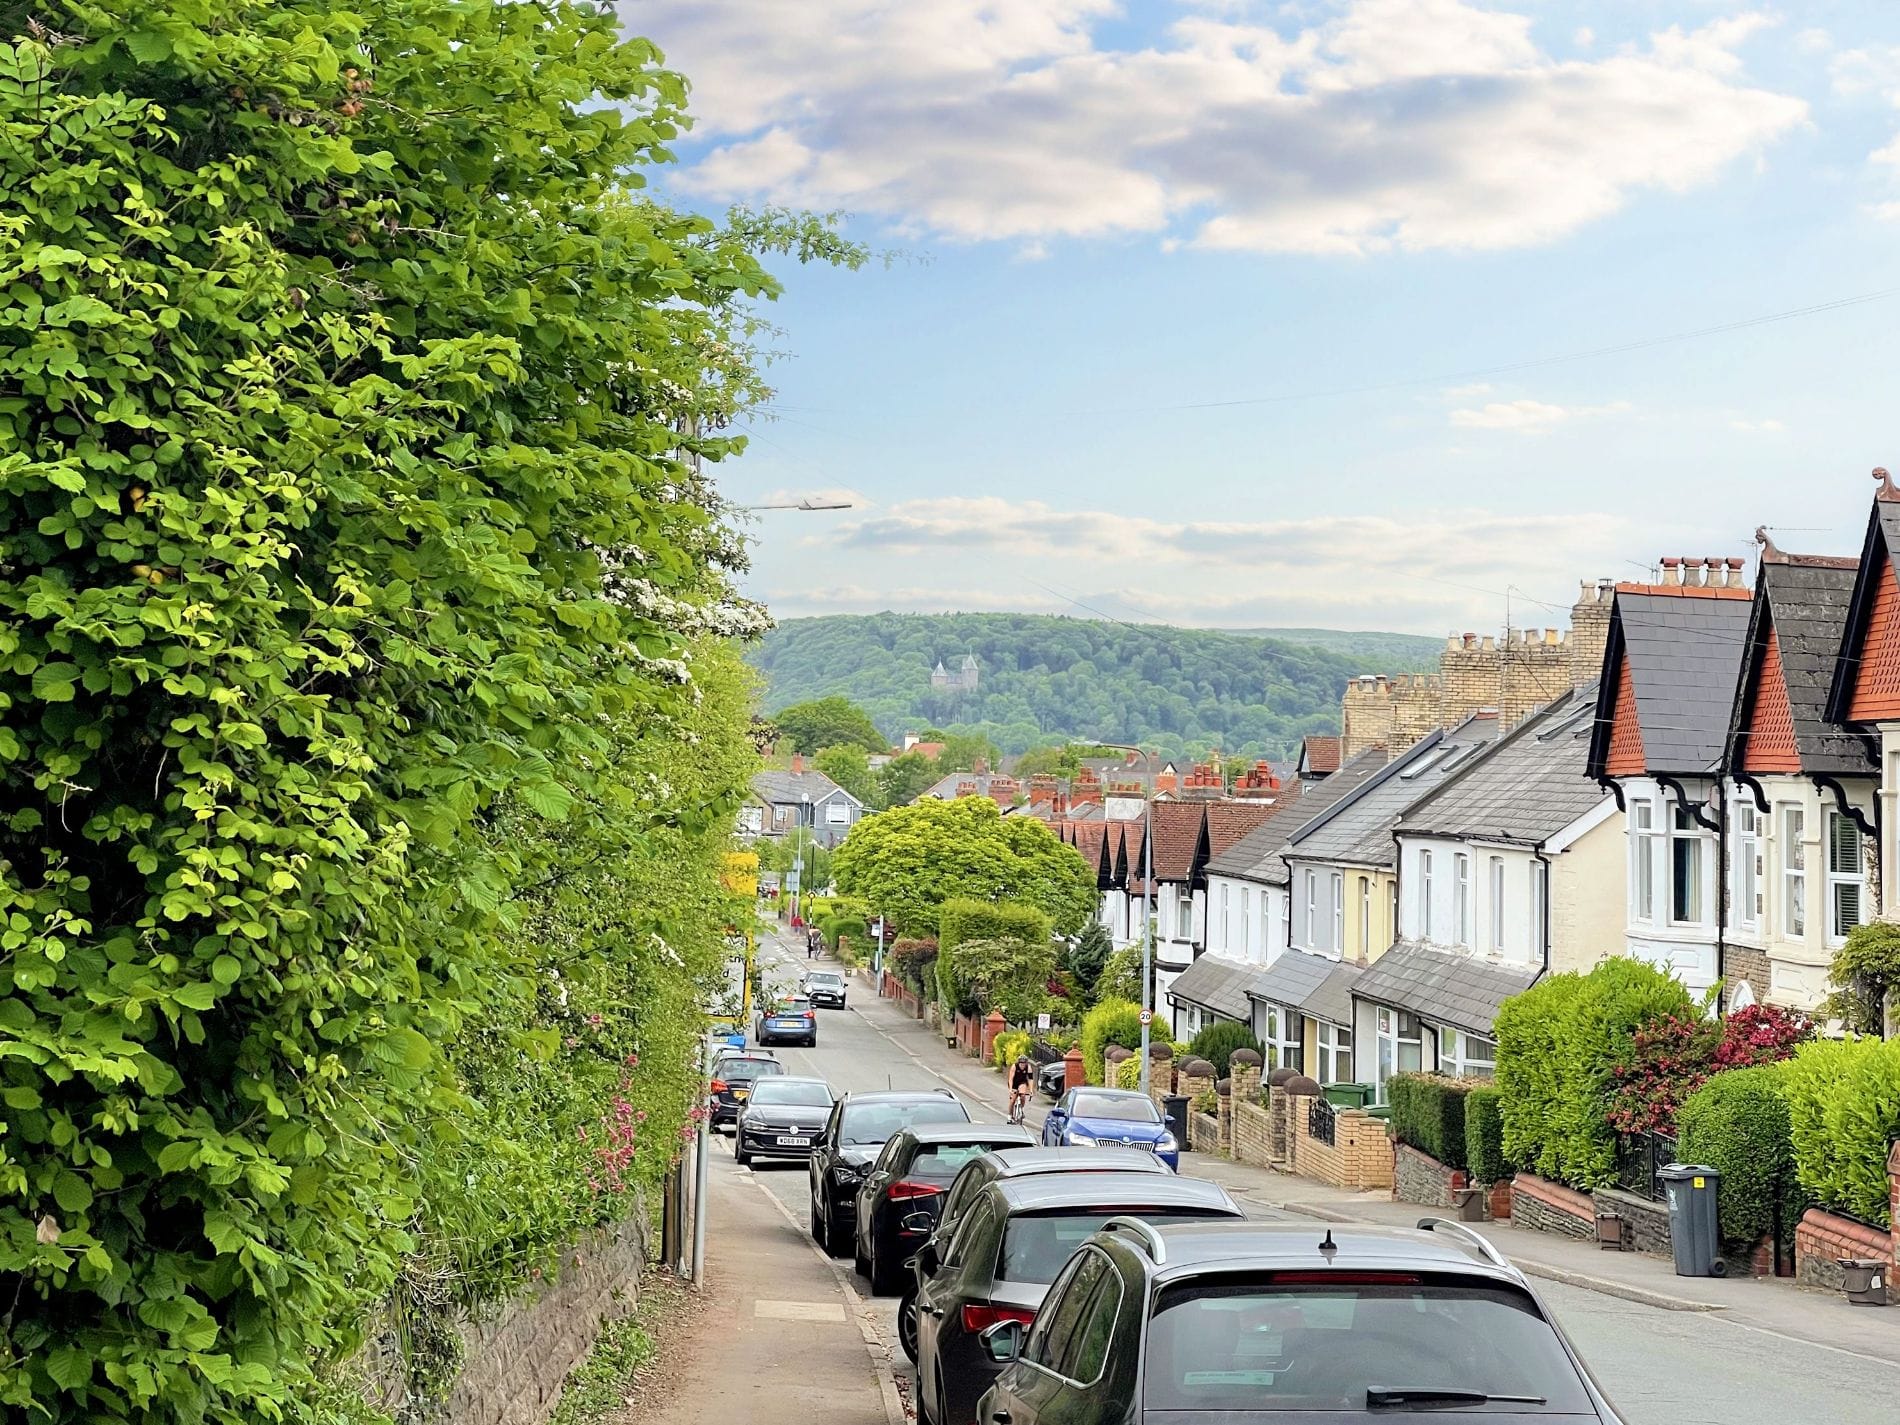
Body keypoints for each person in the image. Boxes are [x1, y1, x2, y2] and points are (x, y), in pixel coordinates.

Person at [1008, 1055, 1034, 1124]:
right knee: (1012, 1100)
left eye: (1024, 1063)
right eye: (1021, 1063)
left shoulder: (1028, 1067)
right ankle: (1010, 1116)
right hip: (1014, 1083)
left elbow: (1030, 1079)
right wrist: (1010, 1089)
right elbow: (1010, 1079)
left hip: (1022, 1082)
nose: (1022, 1065)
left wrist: (1031, 1090)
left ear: (1026, 1063)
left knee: (1023, 1095)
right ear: (1018, 1063)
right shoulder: (1014, 1066)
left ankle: (1020, 1108)